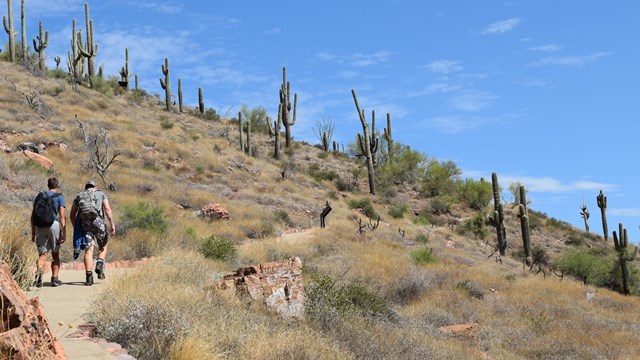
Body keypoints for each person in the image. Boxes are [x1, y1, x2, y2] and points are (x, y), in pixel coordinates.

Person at [70, 180, 115, 286]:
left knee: (89, 250)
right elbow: (107, 209)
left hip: (85, 224)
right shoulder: (101, 194)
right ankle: (100, 262)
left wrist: (76, 227)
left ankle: (89, 277)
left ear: (86, 187)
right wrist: (112, 224)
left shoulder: (79, 196)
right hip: (98, 222)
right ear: (95, 187)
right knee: (103, 245)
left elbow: (72, 214)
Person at [31, 177, 66, 287]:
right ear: (57, 185)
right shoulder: (60, 197)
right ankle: (55, 279)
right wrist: (63, 231)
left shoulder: (40, 196)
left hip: (40, 226)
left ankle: (38, 277)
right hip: (53, 225)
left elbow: (33, 216)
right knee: (55, 254)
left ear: (48, 185)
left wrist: (33, 232)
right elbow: (62, 216)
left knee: (42, 254)